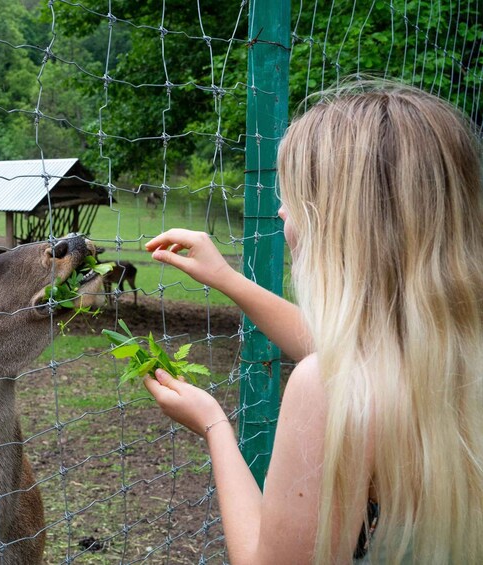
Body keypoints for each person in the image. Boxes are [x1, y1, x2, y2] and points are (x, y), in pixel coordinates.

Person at [144, 82, 483, 564]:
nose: (281, 210)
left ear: (344, 221)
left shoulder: (327, 387)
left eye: (297, 196)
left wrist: (214, 426)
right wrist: (227, 279)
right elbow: (362, 353)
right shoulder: (454, 353)